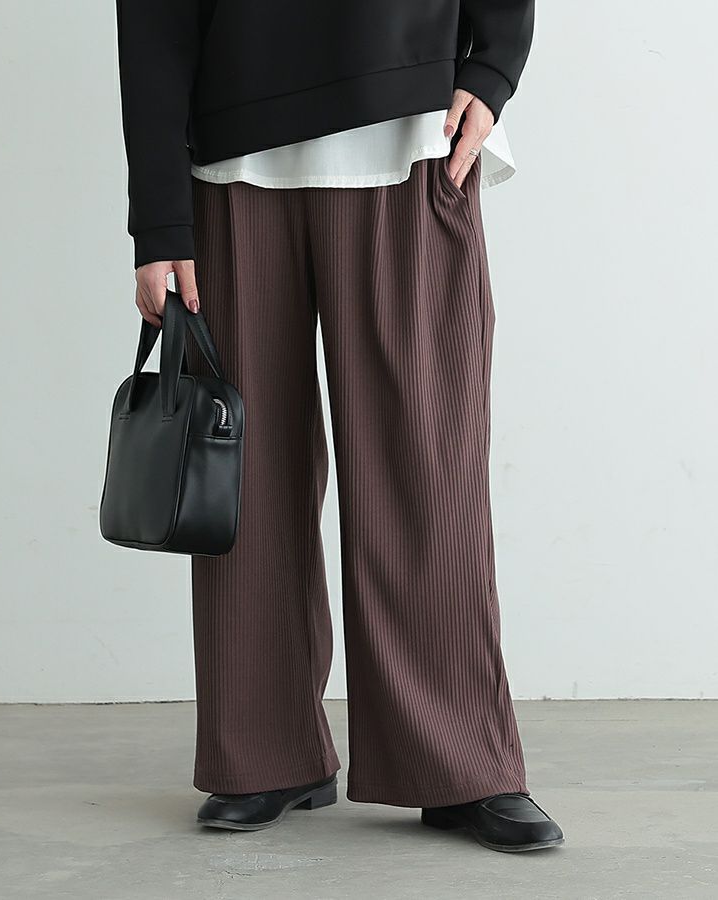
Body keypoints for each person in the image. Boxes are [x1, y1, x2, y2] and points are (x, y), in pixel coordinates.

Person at [115, 0, 564, 852]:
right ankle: (263, 752)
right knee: (245, 474)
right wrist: (159, 218)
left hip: (412, 133)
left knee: (425, 468)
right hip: (233, 155)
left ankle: (457, 763)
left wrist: (494, 64)